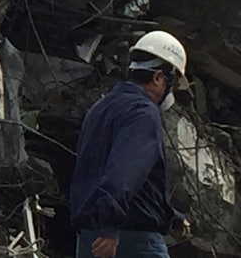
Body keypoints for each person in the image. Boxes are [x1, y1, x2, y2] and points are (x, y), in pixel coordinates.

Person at [71, 30, 193, 258]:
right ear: (158, 78)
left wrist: (170, 218)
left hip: (89, 236)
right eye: (173, 84)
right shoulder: (143, 113)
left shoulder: (102, 108)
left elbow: (128, 183)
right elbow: (124, 173)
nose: (171, 92)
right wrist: (109, 228)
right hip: (129, 239)